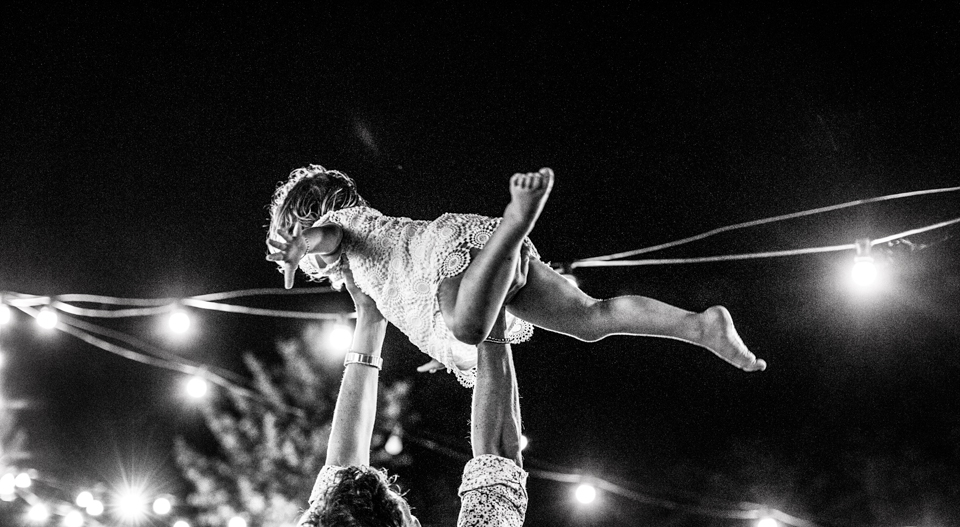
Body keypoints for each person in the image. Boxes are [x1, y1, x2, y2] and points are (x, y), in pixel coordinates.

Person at [266, 165, 766, 387]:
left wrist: (300, 244)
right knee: (590, 320)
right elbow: (404, 305)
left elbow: (328, 236)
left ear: (309, 217)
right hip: (475, 265)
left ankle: (514, 224)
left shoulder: (346, 230)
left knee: (468, 327)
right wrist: (440, 346)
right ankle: (699, 325)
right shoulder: (365, 265)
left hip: (447, 254)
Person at [282, 264, 527, 527]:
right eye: (410, 517)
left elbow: (499, 465)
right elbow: (498, 460)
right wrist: (369, 317)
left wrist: (489, 312)